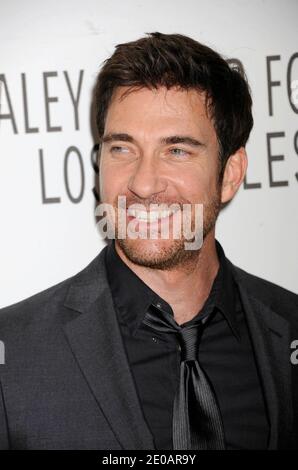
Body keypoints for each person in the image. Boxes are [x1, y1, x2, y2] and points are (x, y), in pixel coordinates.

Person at [0, 32, 297, 450]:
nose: (142, 183)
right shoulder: (12, 355)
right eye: (122, 148)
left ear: (230, 173)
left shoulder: (289, 327)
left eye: (177, 151)